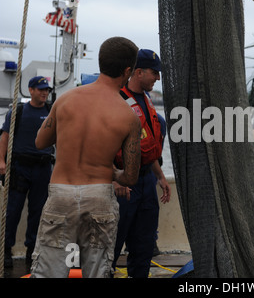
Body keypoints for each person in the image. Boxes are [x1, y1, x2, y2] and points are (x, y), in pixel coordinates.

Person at [29, 36, 141, 278]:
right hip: (99, 195)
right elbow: (131, 177)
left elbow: (40, 142)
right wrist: (109, 170)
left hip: (61, 193)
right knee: (96, 272)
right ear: (128, 71)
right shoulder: (128, 116)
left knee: (49, 272)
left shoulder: (66, 99)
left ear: (101, 63)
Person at [112, 49, 171, 278]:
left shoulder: (147, 100)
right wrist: (115, 179)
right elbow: (104, 144)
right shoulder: (117, 100)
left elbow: (148, 148)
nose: (158, 78)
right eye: (154, 73)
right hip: (124, 183)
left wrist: (160, 177)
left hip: (146, 181)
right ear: (138, 72)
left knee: (144, 246)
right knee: (113, 243)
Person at [0, 76, 54, 268]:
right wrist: (1, 161)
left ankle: (32, 250)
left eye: (46, 90)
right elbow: (5, 137)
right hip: (20, 167)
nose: (44, 93)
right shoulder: (18, 111)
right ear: (30, 90)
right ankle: (6, 250)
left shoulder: (51, 112)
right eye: (40, 89)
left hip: (42, 168)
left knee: (38, 213)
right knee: (12, 210)